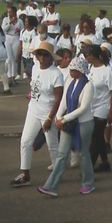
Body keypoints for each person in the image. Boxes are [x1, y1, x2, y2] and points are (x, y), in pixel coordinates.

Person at [37, 58, 95, 197]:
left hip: (83, 123)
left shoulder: (88, 85)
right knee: (62, 155)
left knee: (83, 154)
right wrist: (58, 116)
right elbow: (63, 101)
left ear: (80, 71)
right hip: (69, 122)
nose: (71, 72)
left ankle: (88, 183)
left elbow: (83, 108)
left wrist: (64, 119)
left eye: (74, 70)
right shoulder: (70, 80)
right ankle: (51, 186)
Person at [11, 41, 63, 187]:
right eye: (39, 54)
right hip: (33, 110)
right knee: (25, 141)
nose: (42, 57)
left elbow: (58, 99)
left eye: (45, 55)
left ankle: (57, 173)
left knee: (52, 145)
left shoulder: (56, 74)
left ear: (50, 57)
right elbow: (35, 87)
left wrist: (49, 118)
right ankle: (25, 174)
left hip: (48, 113)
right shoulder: (35, 68)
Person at [85, 44, 112, 173]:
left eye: (87, 54)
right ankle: (105, 162)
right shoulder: (90, 68)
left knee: (95, 135)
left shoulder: (107, 70)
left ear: (94, 55)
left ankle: (89, 166)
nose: (85, 57)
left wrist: (111, 111)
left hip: (103, 106)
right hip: (91, 106)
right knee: (98, 137)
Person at [2, 6, 24, 86]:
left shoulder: (20, 21)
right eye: (8, 12)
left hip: (16, 38)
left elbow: (23, 30)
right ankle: (9, 76)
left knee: (14, 59)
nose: (9, 13)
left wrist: (19, 30)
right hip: (8, 38)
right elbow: (3, 29)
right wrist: (10, 22)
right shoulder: (5, 19)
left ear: (15, 12)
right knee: (9, 58)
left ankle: (13, 77)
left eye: (10, 12)